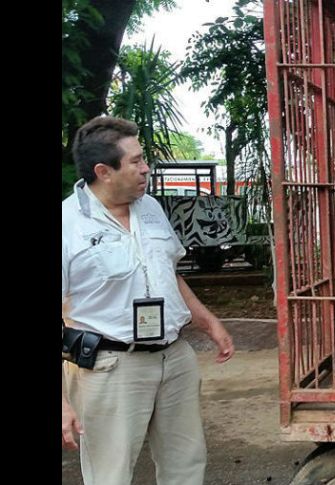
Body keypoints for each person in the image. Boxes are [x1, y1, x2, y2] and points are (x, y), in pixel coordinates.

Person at [61, 116, 235, 485]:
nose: (146, 169)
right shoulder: (68, 225)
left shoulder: (151, 208)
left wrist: (208, 322)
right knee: (111, 475)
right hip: (110, 368)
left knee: (186, 465)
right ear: (104, 171)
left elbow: (169, 272)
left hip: (174, 358)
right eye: (137, 161)